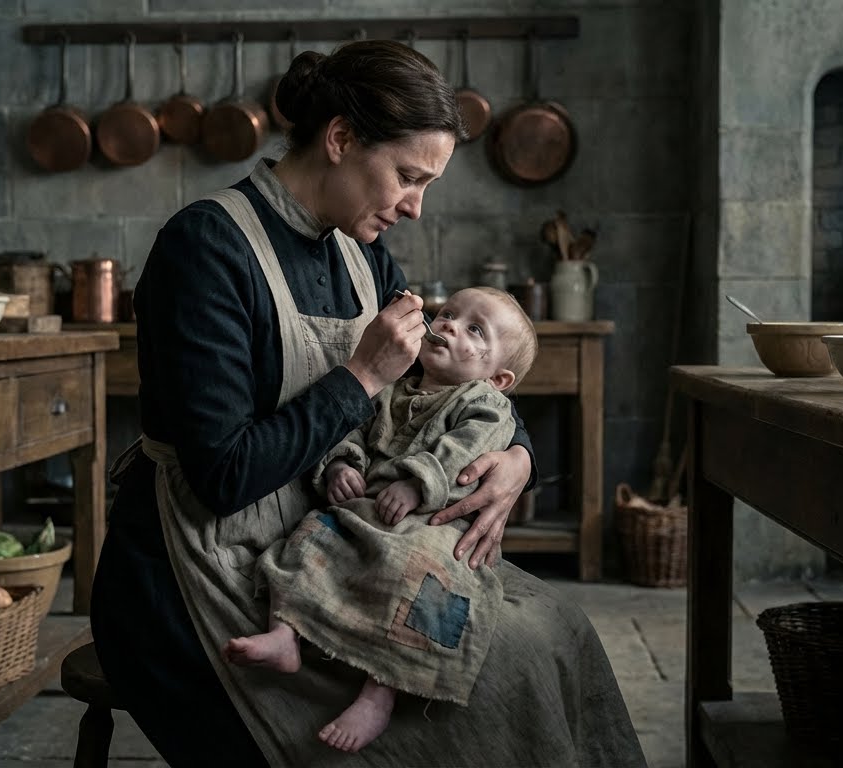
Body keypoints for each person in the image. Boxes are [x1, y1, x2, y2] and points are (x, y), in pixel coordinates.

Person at [90, 38, 647, 768]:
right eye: (408, 177)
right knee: (503, 666)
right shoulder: (205, 250)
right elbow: (221, 474)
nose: (414, 207)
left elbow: (452, 390)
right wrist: (357, 377)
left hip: (344, 537)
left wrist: (516, 458)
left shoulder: (361, 254)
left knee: (557, 628)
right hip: (201, 563)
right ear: (341, 138)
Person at [224, 287, 539, 754]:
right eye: (448, 313)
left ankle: (379, 692)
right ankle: (284, 632)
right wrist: (341, 465)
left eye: (475, 329)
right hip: (370, 511)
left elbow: (465, 451)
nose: (449, 324)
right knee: (310, 537)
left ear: (499, 379)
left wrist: (417, 483)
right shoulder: (393, 385)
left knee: (420, 586)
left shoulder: (484, 405)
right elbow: (352, 427)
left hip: (434, 526)